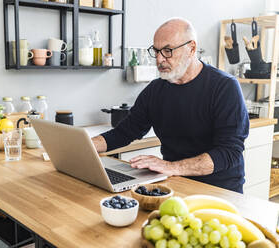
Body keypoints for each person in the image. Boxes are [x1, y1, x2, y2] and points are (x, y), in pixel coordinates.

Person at [92, 17, 249, 193]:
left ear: (192, 48)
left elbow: (229, 152)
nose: (159, 59)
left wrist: (172, 167)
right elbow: (125, 132)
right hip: (175, 184)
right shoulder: (155, 90)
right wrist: (85, 146)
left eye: (168, 50)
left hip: (219, 190)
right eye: (156, 51)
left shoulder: (224, 87)